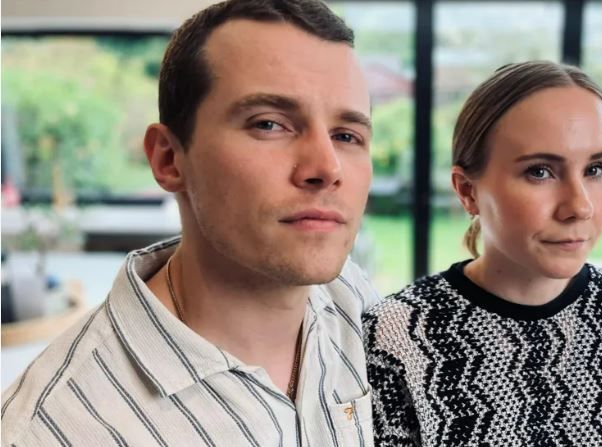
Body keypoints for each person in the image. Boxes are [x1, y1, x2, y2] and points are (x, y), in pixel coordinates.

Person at [1, 1, 379, 445]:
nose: (327, 166)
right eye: (270, 124)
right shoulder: (50, 431)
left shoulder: (354, 303)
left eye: (347, 135)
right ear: (169, 158)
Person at [364, 61, 602, 446]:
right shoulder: (400, 335)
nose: (579, 207)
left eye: (596, 169)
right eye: (540, 172)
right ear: (467, 190)